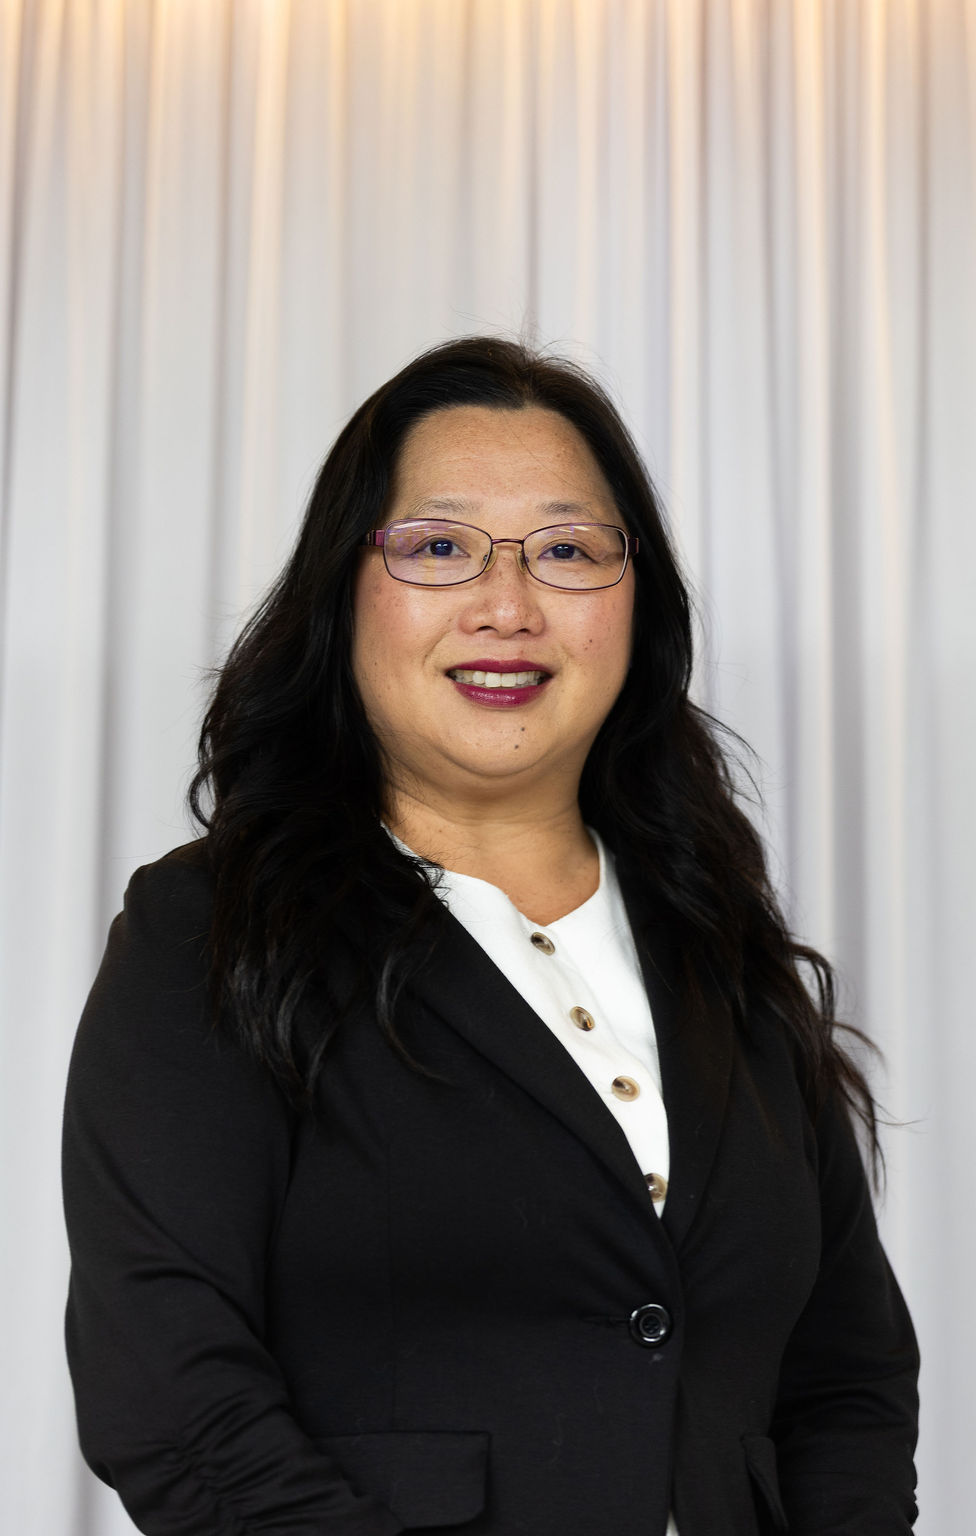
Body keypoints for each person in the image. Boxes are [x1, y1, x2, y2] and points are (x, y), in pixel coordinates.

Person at [62, 336, 919, 1536]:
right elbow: (172, 1393)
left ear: (637, 602)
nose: (507, 606)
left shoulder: (719, 942)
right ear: (342, 592)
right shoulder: (210, 931)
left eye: (567, 551)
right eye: (438, 548)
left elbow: (846, 1381)